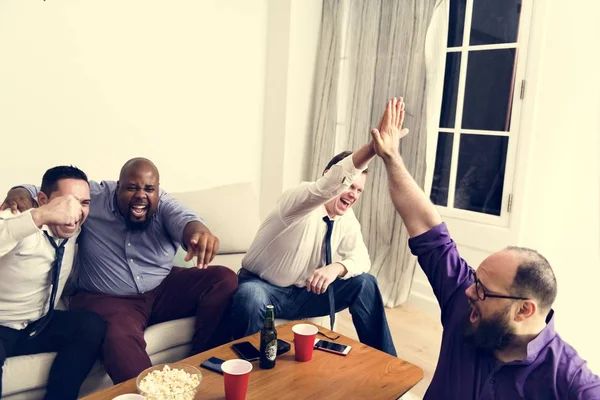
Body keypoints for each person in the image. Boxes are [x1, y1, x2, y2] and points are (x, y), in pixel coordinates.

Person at [371, 97, 600, 398]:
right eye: (476, 280)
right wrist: (391, 158)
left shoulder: (570, 382)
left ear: (524, 310)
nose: (469, 291)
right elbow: (426, 226)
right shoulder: (464, 304)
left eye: (482, 289)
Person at [1, 158, 238, 384]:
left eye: (149, 189)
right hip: (106, 298)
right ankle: (151, 394)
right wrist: (19, 192)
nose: (141, 196)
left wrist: (198, 233)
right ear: (117, 188)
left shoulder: (164, 203)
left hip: (160, 288)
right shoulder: (90, 197)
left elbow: (186, 220)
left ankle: (203, 364)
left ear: (157, 190)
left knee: (223, 278)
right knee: (116, 336)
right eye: (131, 188)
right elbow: (45, 192)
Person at [230, 102, 399, 356]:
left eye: (359, 191)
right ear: (328, 175)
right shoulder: (299, 199)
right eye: (350, 186)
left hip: (304, 295)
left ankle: (387, 365)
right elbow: (328, 186)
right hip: (264, 289)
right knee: (250, 295)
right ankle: (256, 376)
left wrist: (338, 268)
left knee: (365, 283)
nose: (353, 195)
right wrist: (373, 149)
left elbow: (362, 258)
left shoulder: (346, 218)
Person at [0, 166, 107, 400]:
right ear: (42, 200)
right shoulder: (19, 219)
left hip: (38, 324)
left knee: (91, 325)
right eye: (66, 201)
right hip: (2, 325)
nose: (75, 211)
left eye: (84, 203)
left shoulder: (75, 227)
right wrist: (39, 215)